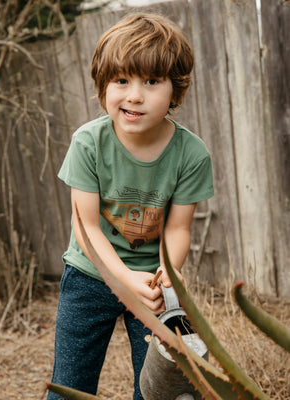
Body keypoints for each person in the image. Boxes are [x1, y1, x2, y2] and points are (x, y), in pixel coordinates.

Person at [47, 12, 214, 400]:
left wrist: (167, 274)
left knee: (161, 386)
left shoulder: (191, 153)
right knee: (70, 384)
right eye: (121, 80)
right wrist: (122, 277)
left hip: (152, 287)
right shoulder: (88, 143)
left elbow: (177, 228)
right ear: (103, 86)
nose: (134, 95)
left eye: (151, 81)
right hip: (90, 276)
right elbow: (86, 227)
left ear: (176, 90)